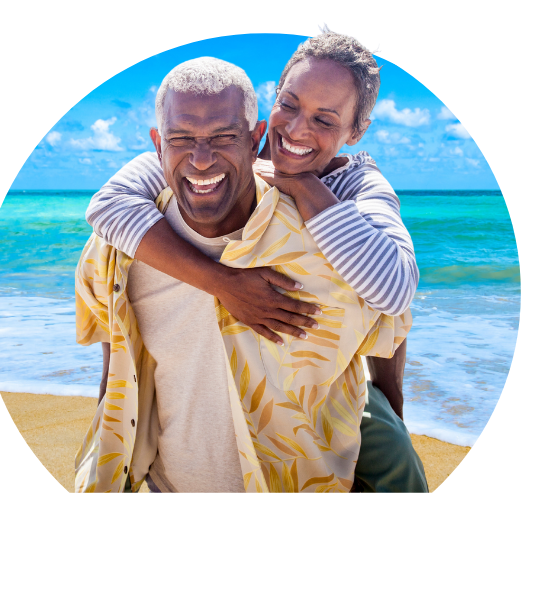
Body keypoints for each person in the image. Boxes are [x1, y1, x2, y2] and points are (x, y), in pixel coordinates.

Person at [83, 31, 427, 492]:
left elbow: (393, 289)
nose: (299, 129)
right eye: (290, 104)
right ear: (271, 106)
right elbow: (108, 206)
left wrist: (302, 184)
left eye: (325, 119)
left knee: (392, 452)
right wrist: (222, 283)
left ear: (355, 131)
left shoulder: (356, 186)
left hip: (328, 378)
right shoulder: (221, 153)